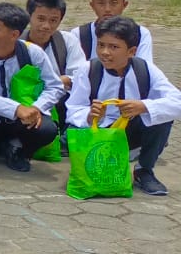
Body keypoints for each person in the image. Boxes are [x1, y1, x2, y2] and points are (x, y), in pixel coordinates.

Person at [66, 16, 181, 196]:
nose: (105, 52)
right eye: (101, 45)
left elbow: (177, 102)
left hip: (129, 132)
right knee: (75, 131)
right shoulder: (88, 69)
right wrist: (90, 115)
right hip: (99, 134)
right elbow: (73, 109)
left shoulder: (145, 69)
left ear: (131, 51)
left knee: (161, 117)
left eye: (114, 47)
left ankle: (144, 171)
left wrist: (143, 106)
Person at [0, 3, 64, 172]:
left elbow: (55, 87)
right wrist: (15, 109)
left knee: (46, 129)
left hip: (21, 117)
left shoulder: (32, 52)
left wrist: (36, 108)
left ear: (14, 34)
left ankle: (18, 150)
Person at [25, 0, 86, 109]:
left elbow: (80, 74)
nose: (46, 26)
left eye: (53, 20)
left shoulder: (67, 41)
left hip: (58, 103)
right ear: (29, 16)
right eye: (41, 19)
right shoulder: (16, 41)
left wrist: (57, 82)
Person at [72, 0, 155, 63]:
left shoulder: (141, 33)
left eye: (114, 3)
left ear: (124, 5)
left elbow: (144, 66)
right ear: (92, 6)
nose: (107, 9)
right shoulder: (79, 35)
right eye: (101, 3)